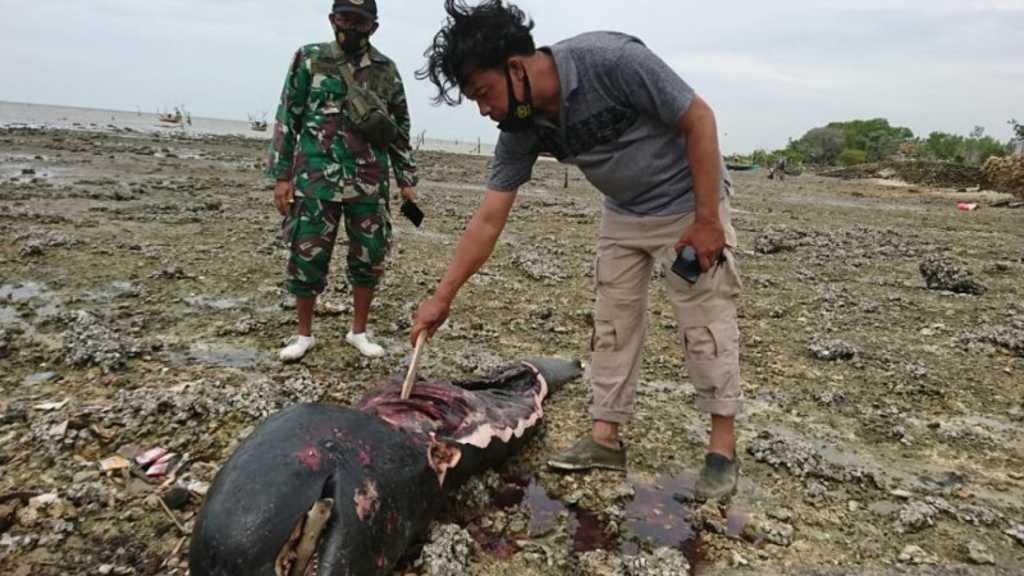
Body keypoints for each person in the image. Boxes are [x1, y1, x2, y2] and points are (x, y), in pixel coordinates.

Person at [411, 0, 744, 501]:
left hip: (687, 205)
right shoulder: (521, 127)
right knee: (611, 325)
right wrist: (443, 296)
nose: (484, 109)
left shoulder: (609, 60)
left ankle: (721, 450)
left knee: (706, 326)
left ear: (516, 67)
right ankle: (605, 438)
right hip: (624, 213)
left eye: (484, 93)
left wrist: (707, 220)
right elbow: (488, 219)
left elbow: (699, 118)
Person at [268, 0, 418, 362]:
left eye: (358, 20)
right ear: (332, 19)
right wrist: (281, 176)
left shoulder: (386, 71)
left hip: (368, 178)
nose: (349, 27)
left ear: (373, 26)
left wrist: (406, 179)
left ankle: (359, 331)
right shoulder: (309, 58)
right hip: (314, 177)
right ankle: (304, 335)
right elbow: (288, 116)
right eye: (343, 18)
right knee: (307, 254)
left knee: (369, 255)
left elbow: (399, 129)